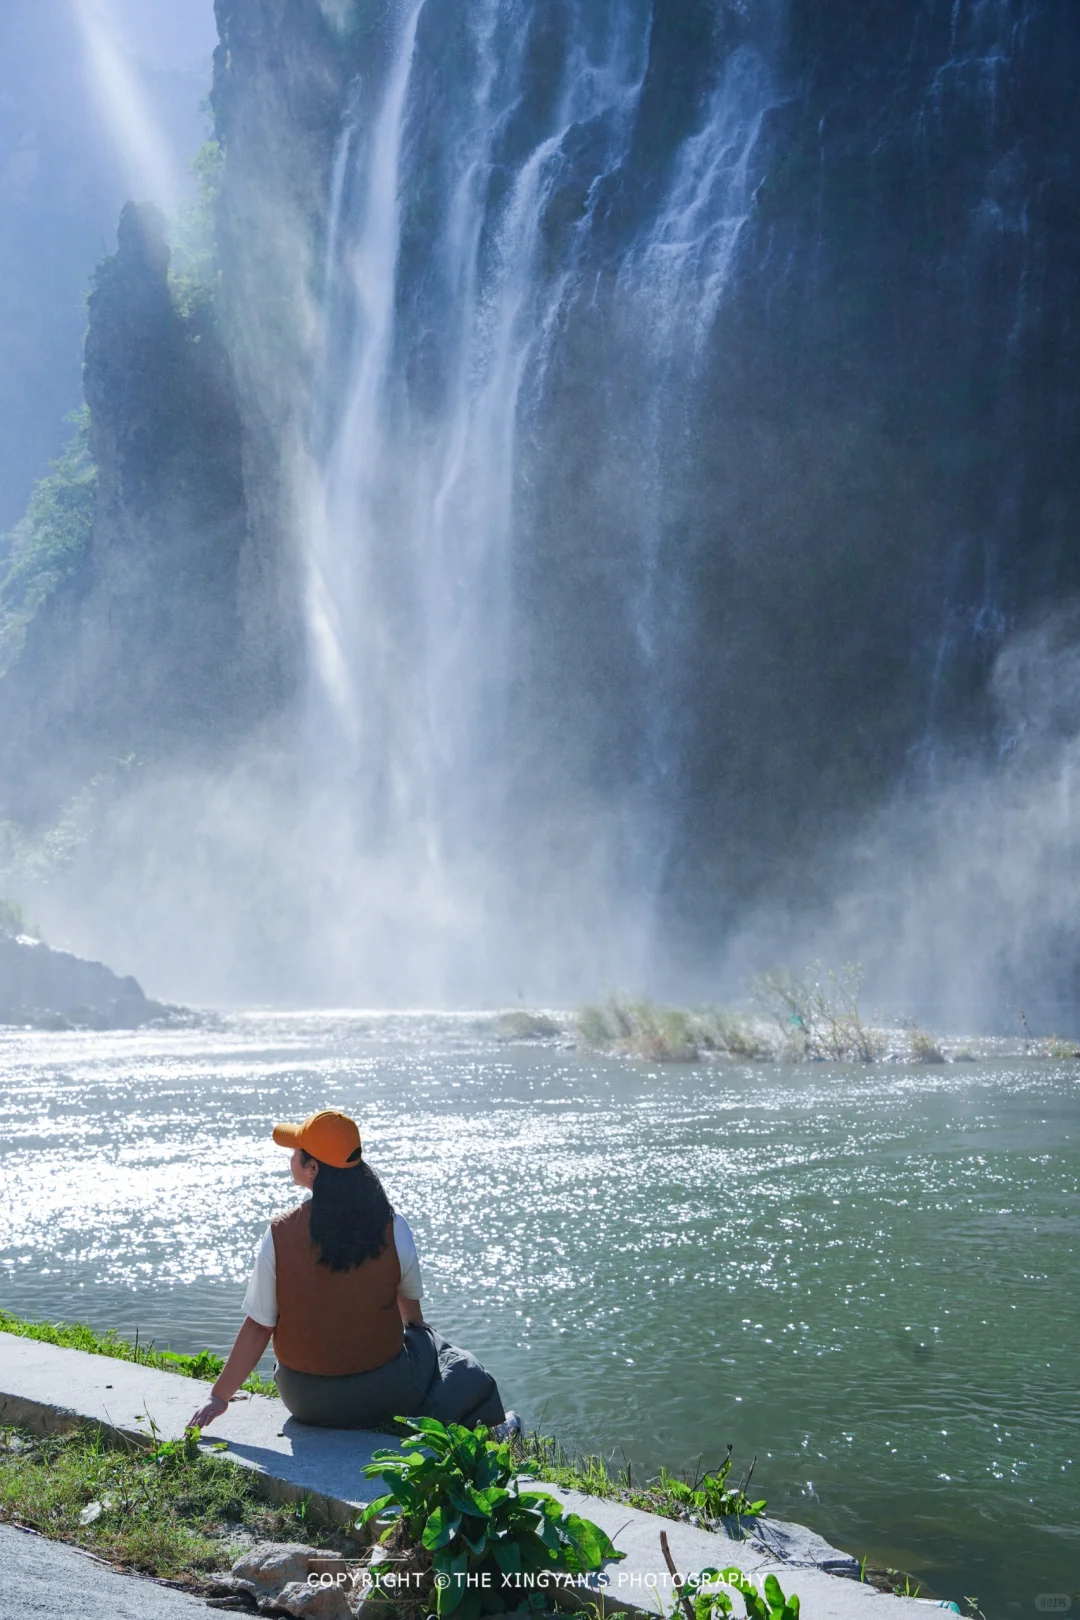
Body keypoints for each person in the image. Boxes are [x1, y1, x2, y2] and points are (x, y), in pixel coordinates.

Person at [188, 1109, 517, 1434]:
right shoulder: (392, 1225)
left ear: (313, 1168)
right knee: (446, 1355)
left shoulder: (278, 1234)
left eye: (295, 1152)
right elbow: (413, 1318)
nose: (290, 1157)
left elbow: (259, 1327)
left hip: (304, 1399)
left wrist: (219, 1397)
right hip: (382, 1395)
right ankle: (490, 1429)